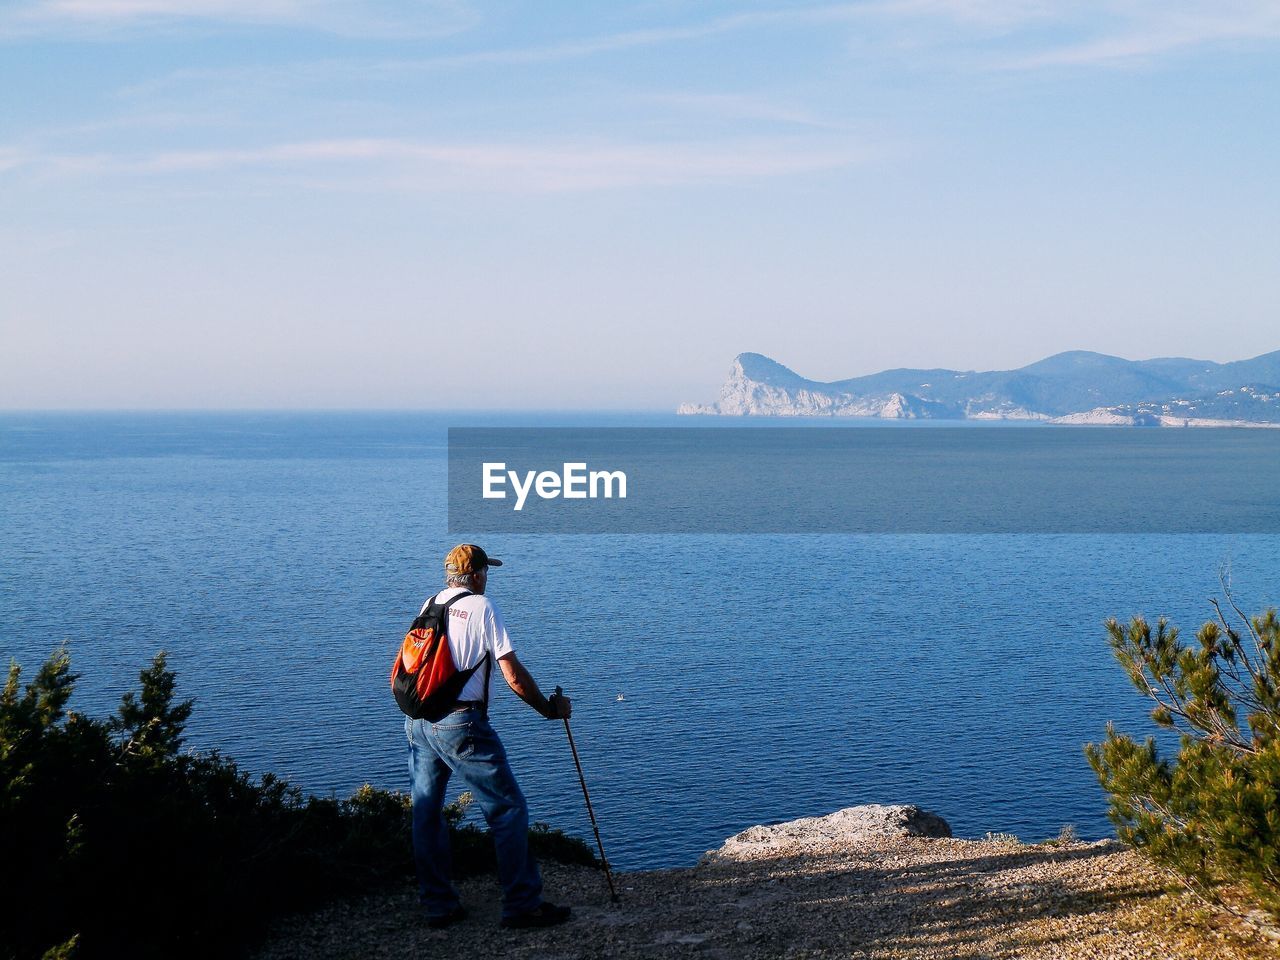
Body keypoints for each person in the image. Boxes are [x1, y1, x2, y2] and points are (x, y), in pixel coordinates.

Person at [405, 543, 573, 930]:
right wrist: (548, 709)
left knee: (426, 814)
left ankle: (438, 905)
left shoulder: (430, 603)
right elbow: (511, 673)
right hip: (461, 726)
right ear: (478, 575)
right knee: (506, 808)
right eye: (486, 571)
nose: (487, 578)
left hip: (419, 723)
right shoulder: (482, 607)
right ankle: (522, 904)